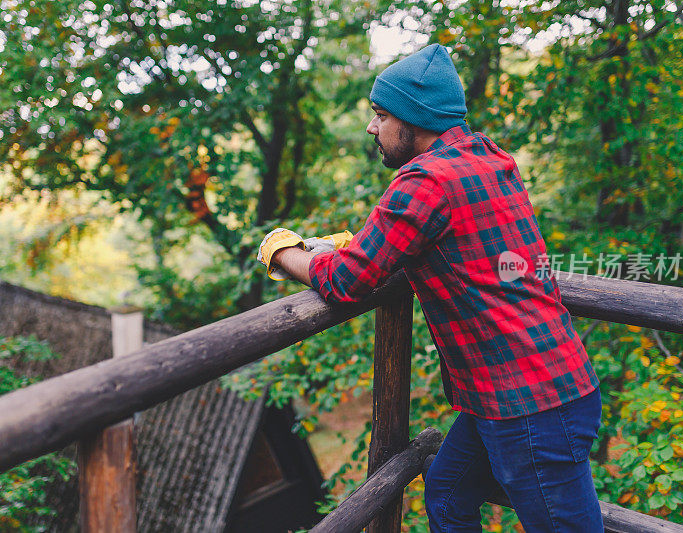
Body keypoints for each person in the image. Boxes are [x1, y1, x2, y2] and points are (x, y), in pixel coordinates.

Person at [258, 43, 603, 532]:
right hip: (523, 389)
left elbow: (346, 279)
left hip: (531, 405)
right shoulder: (487, 158)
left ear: (413, 120)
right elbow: (433, 241)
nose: (372, 128)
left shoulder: (425, 182)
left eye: (380, 115)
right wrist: (358, 246)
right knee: (446, 493)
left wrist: (282, 251)